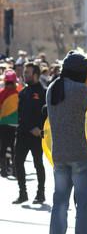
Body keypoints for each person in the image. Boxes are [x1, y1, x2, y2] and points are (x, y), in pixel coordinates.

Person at [46, 51, 87, 234]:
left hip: (59, 154)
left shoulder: (53, 88)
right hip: (82, 155)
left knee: (59, 201)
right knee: (84, 202)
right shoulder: (82, 91)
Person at [13, 62, 45, 204]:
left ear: (36, 75)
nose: (25, 75)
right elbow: (20, 114)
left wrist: (39, 129)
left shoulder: (43, 92)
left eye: (28, 73)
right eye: (25, 73)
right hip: (23, 133)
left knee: (38, 164)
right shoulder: (23, 92)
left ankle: (40, 193)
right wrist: (27, 127)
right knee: (18, 162)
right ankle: (23, 193)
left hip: (37, 136)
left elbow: (46, 114)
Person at [0, 69, 19, 177]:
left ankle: (3, 169)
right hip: (15, 125)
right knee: (13, 147)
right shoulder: (18, 93)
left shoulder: (1, 93)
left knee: (3, 146)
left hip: (2, 124)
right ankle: (15, 169)